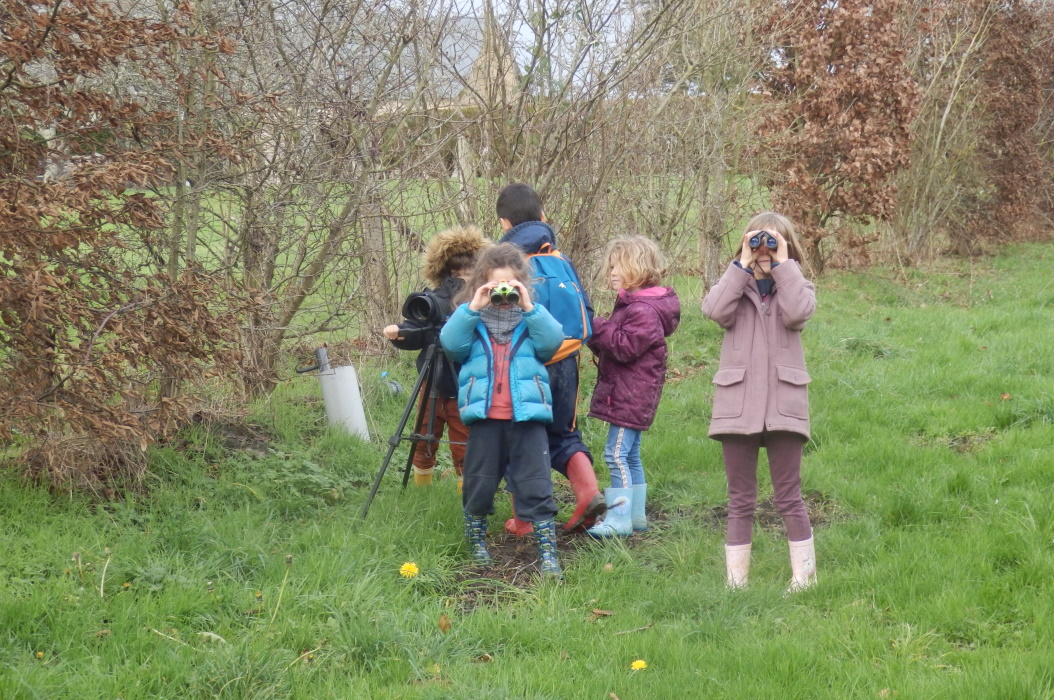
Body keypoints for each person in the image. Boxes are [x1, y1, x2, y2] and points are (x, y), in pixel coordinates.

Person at [701, 212, 817, 592]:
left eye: (774, 243)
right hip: (738, 404)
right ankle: (737, 583)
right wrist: (741, 267)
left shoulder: (798, 286)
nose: (764, 251)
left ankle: (804, 578)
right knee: (740, 499)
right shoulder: (734, 287)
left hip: (785, 402)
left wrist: (784, 266)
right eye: (758, 242)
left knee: (789, 495)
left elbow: (799, 313)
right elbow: (714, 310)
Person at [440, 243, 566, 577]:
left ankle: (547, 549)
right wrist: (472, 306)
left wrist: (528, 305)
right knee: (479, 482)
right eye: (496, 286)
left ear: (522, 284)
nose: (503, 293)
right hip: (485, 418)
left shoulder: (531, 316)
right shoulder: (472, 317)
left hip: (527, 417)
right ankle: (476, 538)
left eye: (511, 285)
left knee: (536, 482)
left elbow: (552, 342)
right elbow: (451, 345)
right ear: (482, 282)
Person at [496, 183, 605, 534]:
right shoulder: (560, 258)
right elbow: (585, 310)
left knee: (519, 435)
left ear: (503, 223)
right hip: (567, 360)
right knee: (564, 432)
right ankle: (588, 492)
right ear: (543, 217)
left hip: (525, 364)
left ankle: (524, 520)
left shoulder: (505, 264)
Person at [584, 236, 680, 538]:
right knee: (630, 454)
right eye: (611, 266)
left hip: (630, 395)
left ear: (638, 268)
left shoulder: (643, 310)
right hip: (633, 393)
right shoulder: (637, 304)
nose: (612, 272)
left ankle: (620, 518)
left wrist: (596, 326)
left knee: (615, 454)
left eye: (618, 266)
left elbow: (624, 347)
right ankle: (636, 516)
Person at [383, 225, 490, 491]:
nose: (463, 277)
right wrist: (401, 333)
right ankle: (424, 493)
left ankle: (468, 500)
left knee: (462, 443)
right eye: (458, 272)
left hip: (464, 384)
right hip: (433, 381)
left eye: (468, 271)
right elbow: (417, 331)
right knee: (425, 440)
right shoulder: (433, 299)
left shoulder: (483, 301)